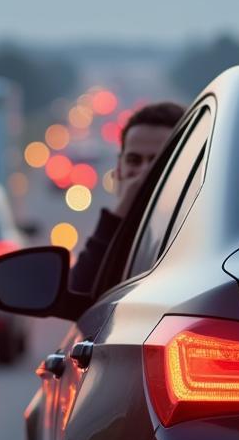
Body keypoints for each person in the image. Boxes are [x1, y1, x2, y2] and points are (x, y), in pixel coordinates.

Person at [69, 100, 184, 294]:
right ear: (119, 169)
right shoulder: (119, 227)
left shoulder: (189, 230)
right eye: (134, 160)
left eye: (159, 161)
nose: (144, 172)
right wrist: (121, 211)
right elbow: (80, 291)